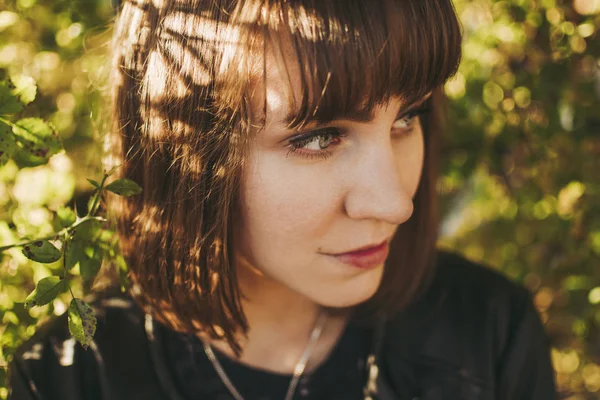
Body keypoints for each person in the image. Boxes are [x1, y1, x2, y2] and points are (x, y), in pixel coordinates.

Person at [8, 0, 558, 399]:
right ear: (182, 152)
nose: (394, 204)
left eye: (407, 117)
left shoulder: (488, 331)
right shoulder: (68, 378)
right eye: (318, 138)